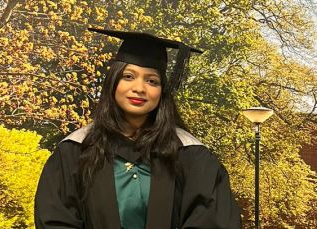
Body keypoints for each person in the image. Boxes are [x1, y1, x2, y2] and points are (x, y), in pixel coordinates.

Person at [34, 27, 242, 229]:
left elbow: (213, 220)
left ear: (162, 91)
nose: (139, 88)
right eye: (128, 76)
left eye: (152, 81)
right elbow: (56, 218)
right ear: (113, 82)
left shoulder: (191, 155)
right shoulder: (75, 150)